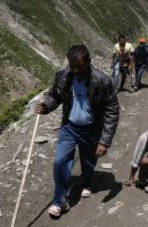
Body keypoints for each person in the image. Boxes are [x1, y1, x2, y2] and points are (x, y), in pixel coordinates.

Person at [36, 45, 120, 217]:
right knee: (60, 162)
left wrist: (105, 141)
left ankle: (87, 181)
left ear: (89, 62)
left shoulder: (102, 80)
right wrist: (45, 107)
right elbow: (55, 96)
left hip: (92, 128)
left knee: (88, 161)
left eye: (80, 67)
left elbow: (112, 109)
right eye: (72, 66)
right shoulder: (63, 76)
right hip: (69, 127)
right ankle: (60, 201)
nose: (76, 70)